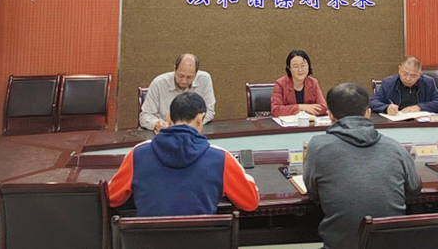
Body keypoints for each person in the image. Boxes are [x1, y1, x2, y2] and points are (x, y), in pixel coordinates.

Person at [304, 83, 420, 249]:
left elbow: (313, 193)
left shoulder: (317, 146)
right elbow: (414, 188)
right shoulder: (394, 147)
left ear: (330, 115)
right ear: (368, 113)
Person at [109, 91, 259, 216]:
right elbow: (250, 202)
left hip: (148, 239)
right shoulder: (221, 158)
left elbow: (111, 197)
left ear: (168, 118)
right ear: (200, 119)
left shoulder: (137, 154)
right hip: (201, 238)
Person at [140, 53, 216, 132]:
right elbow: (144, 116)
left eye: (189, 77)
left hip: (193, 132)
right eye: (180, 76)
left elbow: (209, 112)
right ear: (175, 69)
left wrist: (187, 126)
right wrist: (156, 123)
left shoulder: (204, 80)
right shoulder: (158, 84)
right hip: (167, 133)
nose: (184, 81)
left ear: (196, 73)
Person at [369, 56, 438, 114]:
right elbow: (373, 102)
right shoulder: (388, 83)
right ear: (399, 70)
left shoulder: (428, 83)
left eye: (413, 76)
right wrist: (386, 108)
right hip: (395, 123)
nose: (408, 79)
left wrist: (419, 107)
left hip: (420, 124)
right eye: (405, 74)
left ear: (419, 74)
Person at [271, 50, 328, 117]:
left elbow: (323, 107)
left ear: (308, 66)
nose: (300, 70)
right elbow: (276, 110)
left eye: (303, 65)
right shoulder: (280, 84)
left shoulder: (313, 82)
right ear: (289, 68)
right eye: (295, 66)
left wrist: (301, 112)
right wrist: (301, 107)